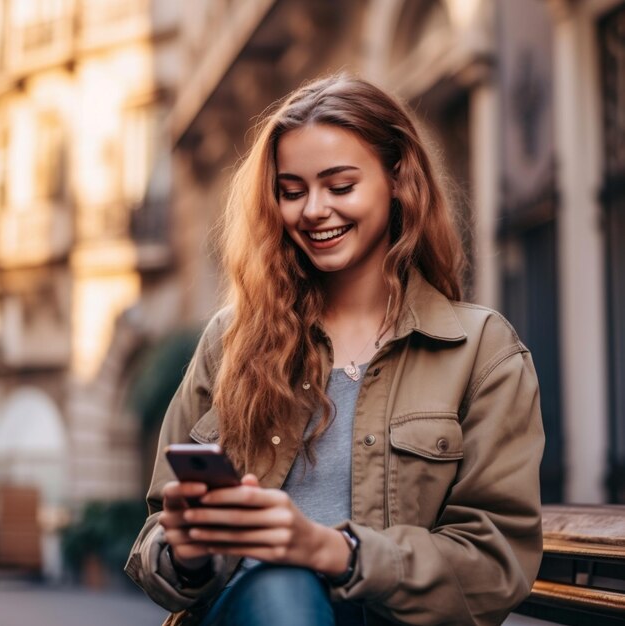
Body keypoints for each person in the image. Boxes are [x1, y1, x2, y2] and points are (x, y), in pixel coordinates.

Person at [126, 74, 544, 626]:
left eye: (340, 186)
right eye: (292, 191)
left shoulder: (480, 350)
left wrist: (334, 552)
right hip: (250, 610)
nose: (313, 210)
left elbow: (495, 565)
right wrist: (187, 553)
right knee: (281, 587)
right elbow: (156, 534)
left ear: (398, 180)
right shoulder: (232, 340)